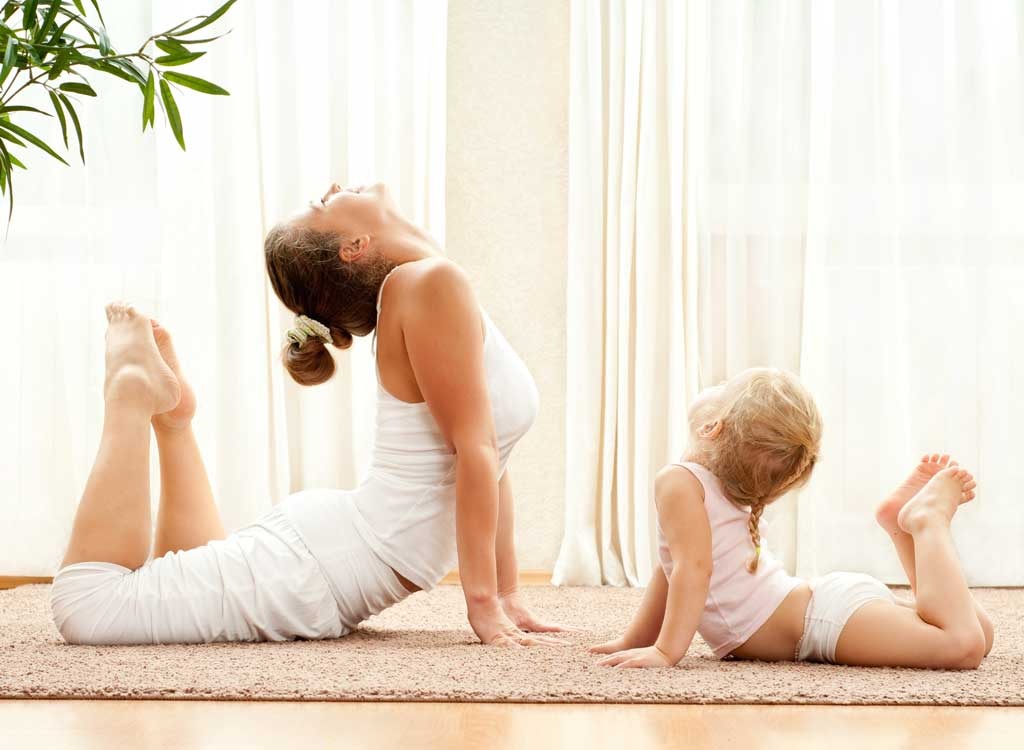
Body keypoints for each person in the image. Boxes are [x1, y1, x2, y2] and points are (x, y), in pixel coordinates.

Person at [51, 181, 567, 647]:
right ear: (354, 246)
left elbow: (489, 458)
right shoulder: (428, 284)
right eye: (323, 202)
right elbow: (476, 451)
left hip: (331, 552)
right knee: (86, 607)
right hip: (320, 567)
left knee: (174, 576)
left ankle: (173, 420)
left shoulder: (429, 284)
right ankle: (130, 389)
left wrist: (507, 594)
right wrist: (483, 607)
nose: (336, 186)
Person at [591, 367, 994, 669]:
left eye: (725, 387)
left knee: (962, 644)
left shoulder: (680, 480)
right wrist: (637, 639)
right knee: (978, 634)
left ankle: (926, 523)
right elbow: (673, 565)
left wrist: (665, 651)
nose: (717, 384)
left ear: (713, 426)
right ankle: (898, 524)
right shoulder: (706, 481)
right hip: (822, 608)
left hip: (820, 620)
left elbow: (691, 570)